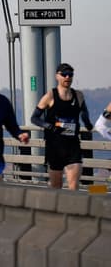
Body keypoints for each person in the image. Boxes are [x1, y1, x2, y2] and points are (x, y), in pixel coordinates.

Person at [31, 62, 94, 190]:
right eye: (64, 74)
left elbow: (84, 112)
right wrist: (49, 126)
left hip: (73, 146)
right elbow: (34, 118)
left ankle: (73, 204)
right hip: (55, 147)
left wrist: (88, 124)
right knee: (56, 187)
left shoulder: (78, 95)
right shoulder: (50, 96)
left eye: (70, 74)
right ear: (57, 76)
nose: (67, 77)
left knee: (73, 186)